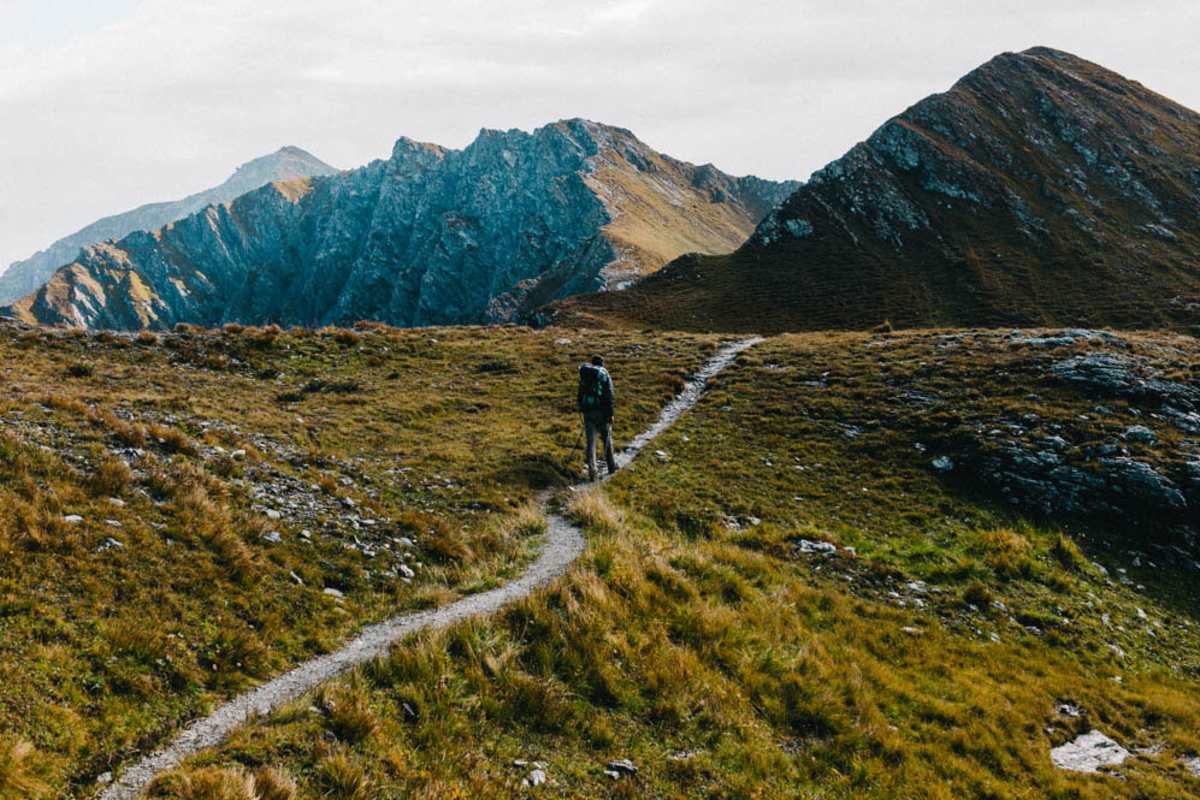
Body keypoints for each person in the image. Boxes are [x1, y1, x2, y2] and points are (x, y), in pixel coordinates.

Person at [578, 354, 617, 482]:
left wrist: (582, 409)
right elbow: (609, 396)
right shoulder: (604, 375)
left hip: (588, 412)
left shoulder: (585, 374)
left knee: (591, 442)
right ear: (602, 364)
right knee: (606, 438)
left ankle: (592, 473)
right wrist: (610, 414)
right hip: (601, 412)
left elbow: (580, 393)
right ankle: (611, 466)